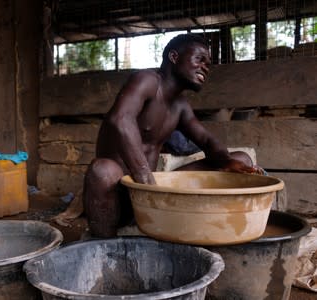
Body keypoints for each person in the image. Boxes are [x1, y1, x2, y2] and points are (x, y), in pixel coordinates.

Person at [83, 33, 259, 238]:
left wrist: (228, 161)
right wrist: (145, 182)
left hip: (149, 192)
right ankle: (104, 246)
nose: (205, 67)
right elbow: (120, 120)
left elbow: (206, 141)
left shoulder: (181, 105)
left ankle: (216, 229)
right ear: (174, 57)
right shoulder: (147, 80)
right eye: (199, 59)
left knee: (240, 160)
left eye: (208, 63)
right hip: (120, 195)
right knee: (102, 170)